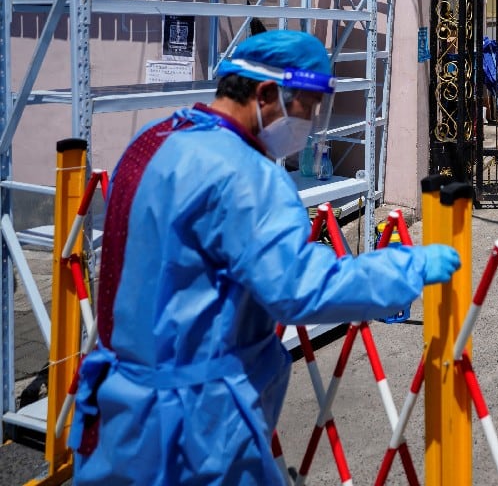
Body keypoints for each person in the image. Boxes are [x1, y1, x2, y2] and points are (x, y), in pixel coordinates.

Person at [69, 30, 461, 485]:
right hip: (194, 429)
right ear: (267, 93)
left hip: (117, 412)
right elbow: (301, 289)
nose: (311, 122)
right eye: (308, 108)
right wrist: (406, 268)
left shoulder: (154, 140)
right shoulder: (246, 174)